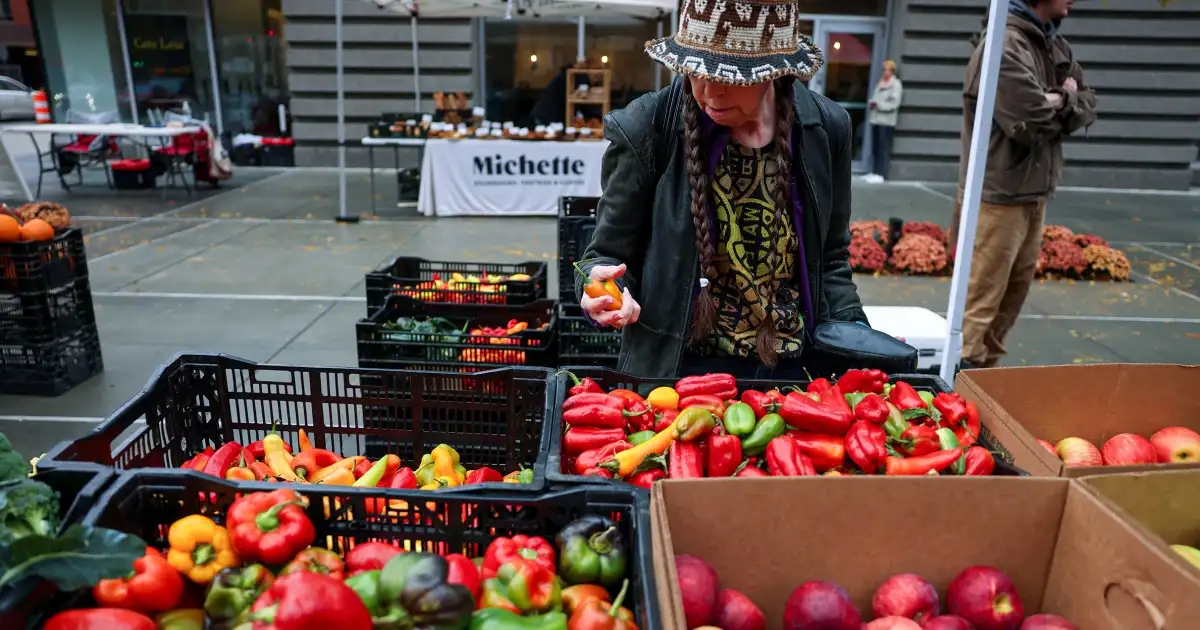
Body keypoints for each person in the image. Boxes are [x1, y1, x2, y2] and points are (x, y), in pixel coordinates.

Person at [574, 0, 868, 379]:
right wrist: (602, 289)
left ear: (775, 73)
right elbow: (604, 255)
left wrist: (857, 335)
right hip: (680, 372)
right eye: (696, 72)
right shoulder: (645, 127)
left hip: (798, 371)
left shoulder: (827, 129)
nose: (710, 92)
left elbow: (831, 259)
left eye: (729, 77)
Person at [951, 0, 1097, 368]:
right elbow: (1031, 121)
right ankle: (960, 384)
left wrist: (1060, 97)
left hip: (1032, 193)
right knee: (981, 303)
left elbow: (1089, 101)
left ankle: (986, 382)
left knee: (1010, 302)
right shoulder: (1004, 43)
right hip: (997, 196)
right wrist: (1067, 99)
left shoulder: (1052, 43)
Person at [864, 60, 902, 183]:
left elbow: (894, 104)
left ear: (892, 71)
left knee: (883, 148)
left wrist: (878, 105)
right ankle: (874, 172)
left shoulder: (895, 84)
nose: (885, 72)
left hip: (886, 121)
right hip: (876, 119)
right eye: (884, 69)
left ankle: (881, 174)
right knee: (875, 147)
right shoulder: (881, 82)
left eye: (888, 69)